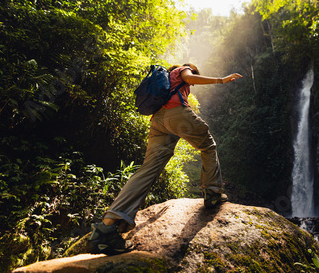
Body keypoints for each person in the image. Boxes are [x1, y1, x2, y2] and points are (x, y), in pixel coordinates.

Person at [88, 63, 242, 255]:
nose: (191, 87)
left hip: (158, 122)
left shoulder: (166, 80)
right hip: (176, 114)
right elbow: (189, 78)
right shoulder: (183, 70)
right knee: (208, 146)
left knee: (147, 171)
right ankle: (212, 193)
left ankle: (106, 228)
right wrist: (221, 79)